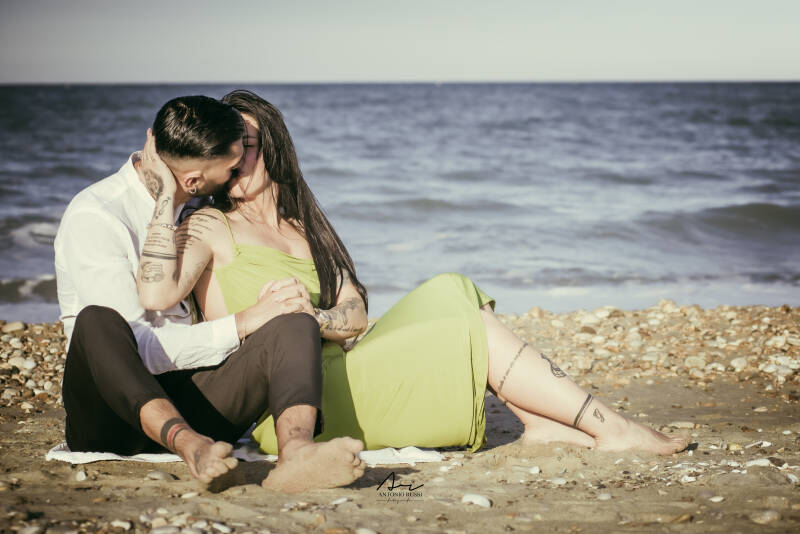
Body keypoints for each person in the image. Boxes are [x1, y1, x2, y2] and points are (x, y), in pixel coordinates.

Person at [135, 89, 688, 457]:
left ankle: (542, 421)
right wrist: (164, 193)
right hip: (289, 403)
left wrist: (315, 317)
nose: (237, 158)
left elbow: (355, 313)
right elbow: (156, 293)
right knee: (464, 323)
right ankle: (608, 426)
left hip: (341, 363)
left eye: (247, 146)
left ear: (272, 146)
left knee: (452, 288)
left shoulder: (302, 226)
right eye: (228, 149)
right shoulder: (209, 225)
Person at [54, 95, 365, 493]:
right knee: (98, 321)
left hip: (197, 404)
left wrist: (295, 312)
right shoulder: (97, 215)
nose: (238, 171)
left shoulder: (199, 206)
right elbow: (141, 346)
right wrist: (243, 321)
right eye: (232, 164)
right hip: (112, 417)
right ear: (194, 180)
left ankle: (297, 455)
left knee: (292, 319)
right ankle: (191, 447)